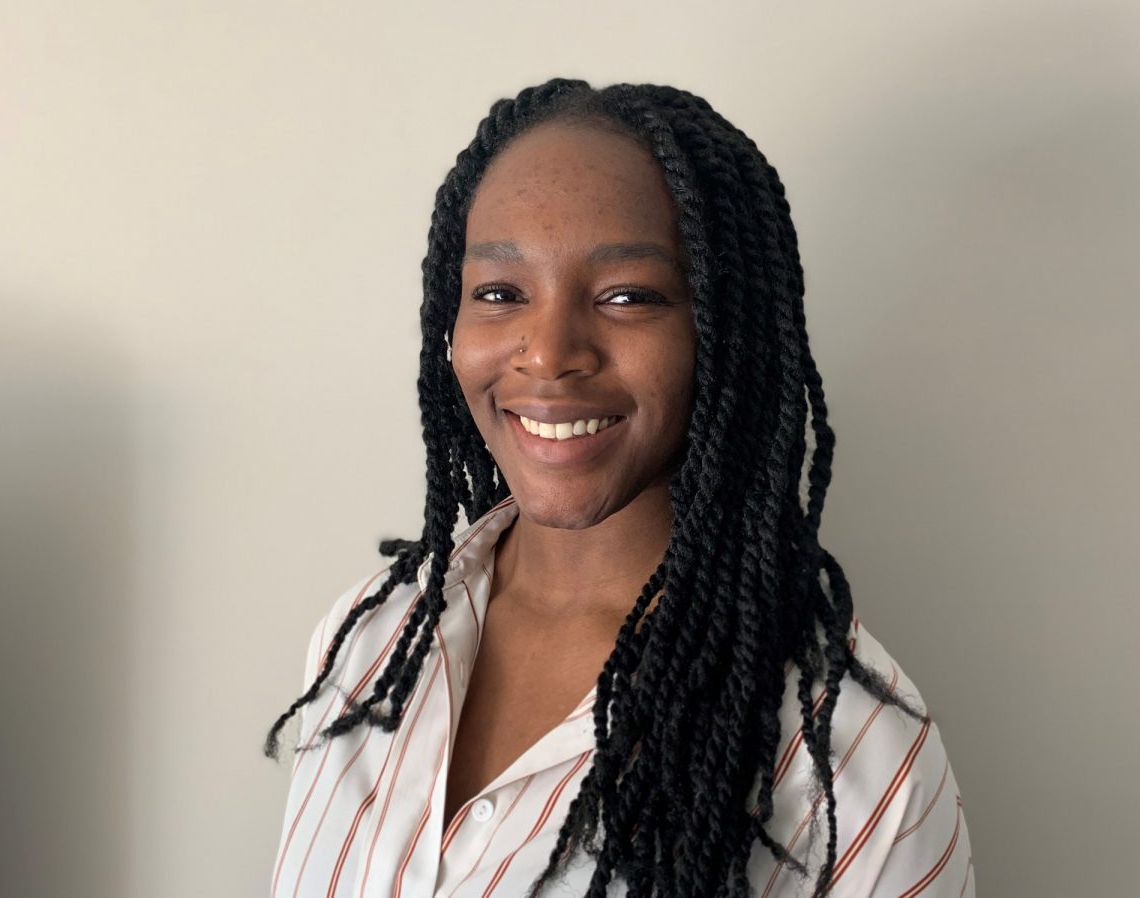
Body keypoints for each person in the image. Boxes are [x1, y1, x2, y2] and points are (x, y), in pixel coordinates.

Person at [265, 78, 975, 898]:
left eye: (627, 297)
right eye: (500, 293)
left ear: (723, 332)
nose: (550, 351)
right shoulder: (368, 645)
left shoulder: (855, 765)